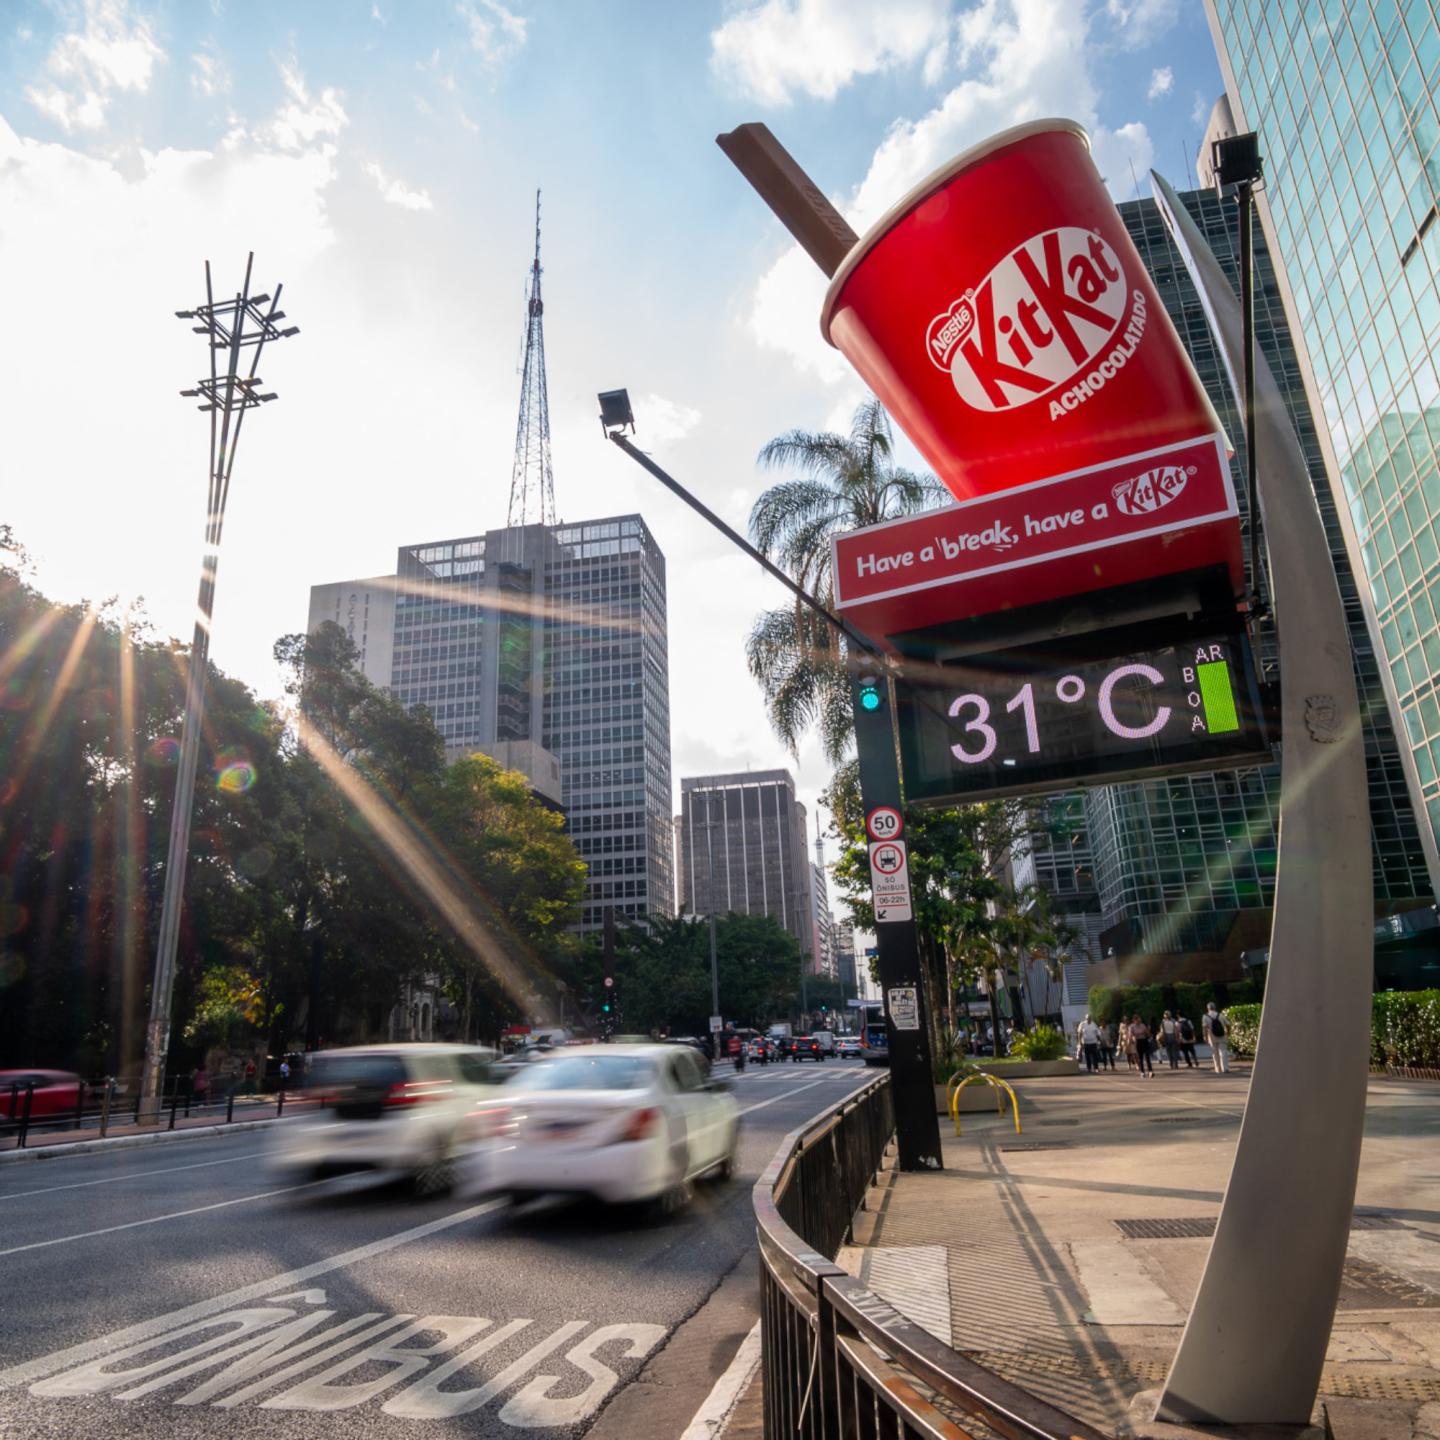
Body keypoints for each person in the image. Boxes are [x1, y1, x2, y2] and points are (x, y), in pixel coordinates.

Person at [1203, 1003, 1230, 1073]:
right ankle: (1225, 1068)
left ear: (1208, 1008)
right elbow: (1228, 1024)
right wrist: (1228, 1033)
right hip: (1222, 1035)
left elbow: (1204, 1028)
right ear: (1215, 1008)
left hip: (1212, 1037)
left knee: (1215, 1053)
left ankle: (1218, 1069)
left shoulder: (1205, 1016)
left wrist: (1205, 1037)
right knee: (1223, 1052)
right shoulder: (1220, 1015)